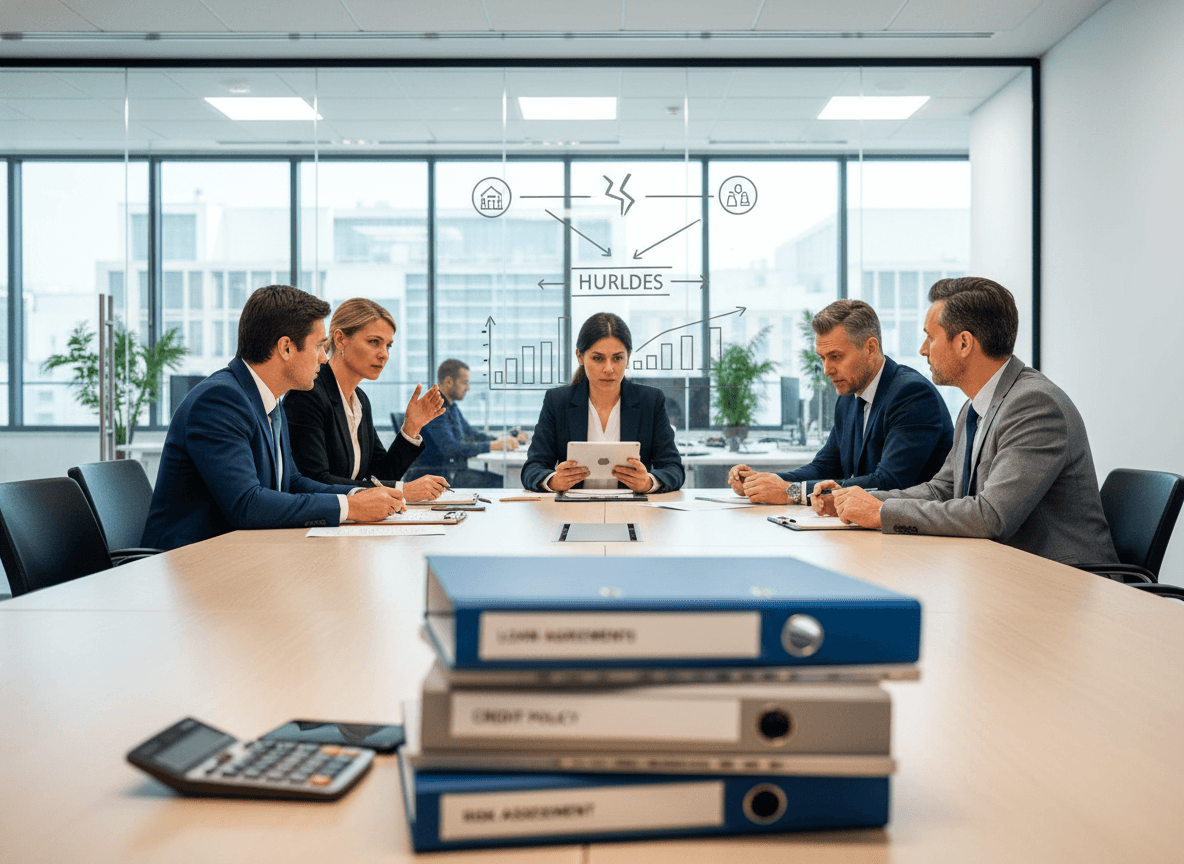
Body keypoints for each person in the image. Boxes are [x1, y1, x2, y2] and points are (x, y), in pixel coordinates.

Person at [818, 277, 1118, 566]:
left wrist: (882, 511)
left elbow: (992, 515)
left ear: (963, 343)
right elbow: (942, 489)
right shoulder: (974, 407)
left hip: (1064, 582)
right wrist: (856, 500)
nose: (923, 349)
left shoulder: (1035, 405)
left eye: (930, 337)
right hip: (1000, 570)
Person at [142, 285, 406, 551]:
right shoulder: (220, 400)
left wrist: (360, 495)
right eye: (318, 346)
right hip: (188, 564)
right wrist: (350, 507)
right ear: (286, 348)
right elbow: (247, 504)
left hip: (240, 553)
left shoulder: (269, 402)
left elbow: (291, 482)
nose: (324, 359)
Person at [728, 299, 953, 505]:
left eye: (836, 356)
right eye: (822, 358)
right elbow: (825, 466)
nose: (827, 370)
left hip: (915, 536)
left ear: (870, 348)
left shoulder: (912, 394)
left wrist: (792, 491)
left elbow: (890, 481)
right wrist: (762, 482)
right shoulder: (848, 397)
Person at [284, 297, 450, 502]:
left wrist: (411, 428)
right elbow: (314, 481)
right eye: (374, 342)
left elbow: (380, 477)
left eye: (388, 346)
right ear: (340, 339)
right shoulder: (308, 395)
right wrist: (402, 491)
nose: (384, 355)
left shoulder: (360, 401)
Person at [522, 312, 684, 493]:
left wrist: (649, 482)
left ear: (628, 358)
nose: (609, 368)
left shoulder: (651, 401)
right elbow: (532, 467)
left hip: (634, 511)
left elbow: (673, 468)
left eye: (617, 358)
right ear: (580, 357)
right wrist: (553, 481)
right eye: (598, 358)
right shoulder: (557, 402)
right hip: (572, 511)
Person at [410, 359, 526, 488]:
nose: (468, 388)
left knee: (506, 481)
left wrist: (504, 441)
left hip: (451, 473)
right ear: (448, 382)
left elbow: (472, 434)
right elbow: (450, 448)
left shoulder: (451, 407)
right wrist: (493, 445)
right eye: (464, 383)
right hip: (438, 476)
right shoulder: (434, 408)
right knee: (505, 483)